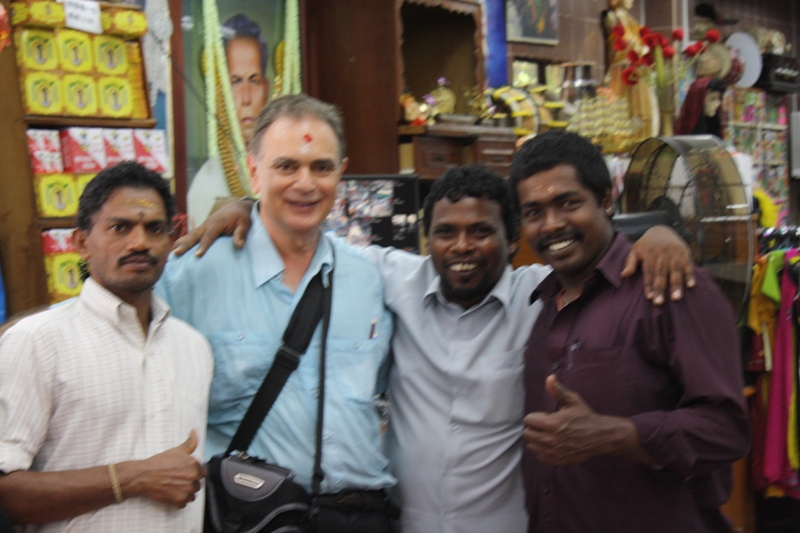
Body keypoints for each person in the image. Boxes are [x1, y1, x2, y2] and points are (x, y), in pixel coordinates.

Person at [172, 162, 695, 531]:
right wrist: (242, 204)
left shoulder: (539, 294)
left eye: (481, 232)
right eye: (445, 232)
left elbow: (599, 253)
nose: (461, 246)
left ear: (513, 240)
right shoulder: (385, 277)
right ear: (427, 242)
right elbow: (301, 229)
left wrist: (655, 238)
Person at [158, 94, 398, 532]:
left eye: (321, 167)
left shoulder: (369, 277)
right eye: (286, 166)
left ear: (341, 174)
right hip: (252, 515)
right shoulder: (193, 274)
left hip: (360, 515)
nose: (305, 183)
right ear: (254, 171)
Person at [513, 131, 750, 532]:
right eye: (534, 212)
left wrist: (615, 435)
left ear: (607, 199)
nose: (552, 225)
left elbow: (726, 430)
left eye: (568, 203)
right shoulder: (538, 305)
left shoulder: (671, 285)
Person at [0, 161, 213, 532]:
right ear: (81, 242)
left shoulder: (193, 347)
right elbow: (8, 492)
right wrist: (134, 477)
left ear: (172, 238)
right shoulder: (37, 341)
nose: (139, 243)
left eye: (154, 228)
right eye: (120, 227)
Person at [187, 13, 270, 224]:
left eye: (254, 80)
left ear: (266, 89)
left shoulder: (282, 168)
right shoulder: (207, 182)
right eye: (235, 82)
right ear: (220, 93)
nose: (246, 98)